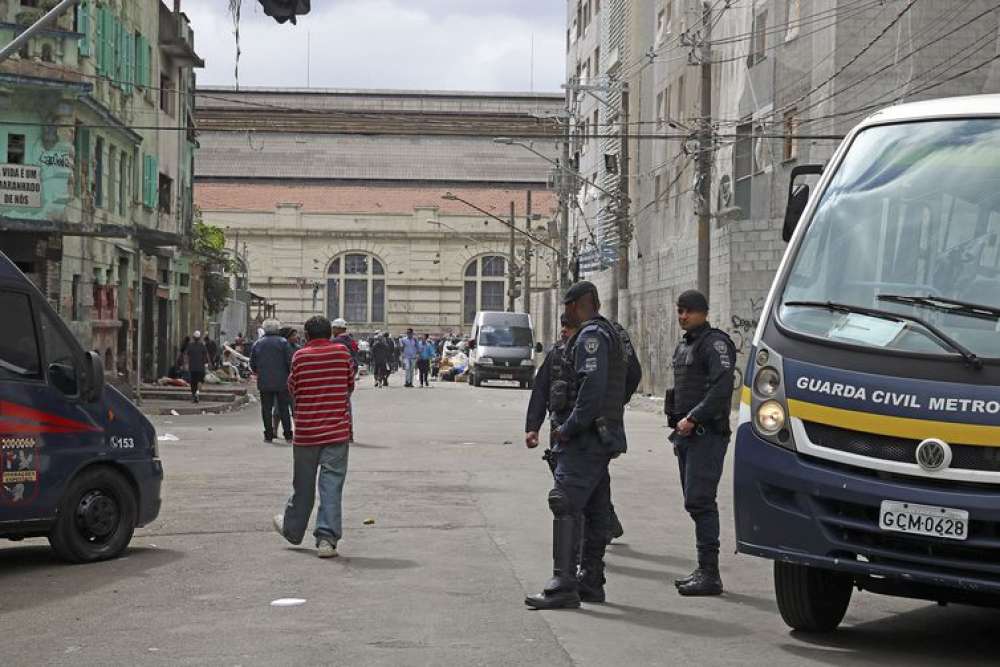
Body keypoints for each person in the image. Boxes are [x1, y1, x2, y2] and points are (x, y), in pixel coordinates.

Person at [525, 281, 632, 610]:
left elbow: (592, 390)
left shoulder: (590, 337)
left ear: (580, 304)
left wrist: (569, 429)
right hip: (600, 436)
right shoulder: (610, 334)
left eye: (569, 305)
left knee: (564, 502)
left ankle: (563, 584)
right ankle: (591, 582)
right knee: (597, 509)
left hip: (585, 439)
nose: (566, 312)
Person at [666, 289, 736, 597]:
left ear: (703, 312)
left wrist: (694, 417)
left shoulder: (715, 343)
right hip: (686, 435)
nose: (683, 317)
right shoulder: (686, 346)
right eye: (680, 311)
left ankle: (710, 573)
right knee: (694, 501)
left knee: (701, 500)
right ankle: (703, 568)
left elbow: (721, 390)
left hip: (706, 434)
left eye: (688, 311)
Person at [273, 315, 355, 559]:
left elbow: (293, 388)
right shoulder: (342, 354)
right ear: (330, 334)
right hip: (336, 431)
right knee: (331, 486)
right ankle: (327, 540)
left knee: (303, 486)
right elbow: (350, 385)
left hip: (307, 432)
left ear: (307, 336)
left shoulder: (300, 356)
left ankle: (293, 530)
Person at [250, 319, 295, 444]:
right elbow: (290, 362)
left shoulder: (258, 343)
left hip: (264, 382)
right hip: (282, 382)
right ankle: (288, 435)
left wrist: (259, 372)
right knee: (284, 408)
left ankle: (268, 434)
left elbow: (252, 363)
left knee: (266, 409)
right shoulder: (283, 342)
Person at [185, 331, 209, 403]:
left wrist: (186, 364)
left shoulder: (190, 346)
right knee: (200, 381)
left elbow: (186, 356)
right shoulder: (202, 346)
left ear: (193, 338)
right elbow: (205, 356)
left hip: (192, 367)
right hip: (200, 367)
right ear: (199, 338)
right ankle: (197, 393)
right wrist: (207, 364)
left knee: (193, 382)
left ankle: (193, 395)